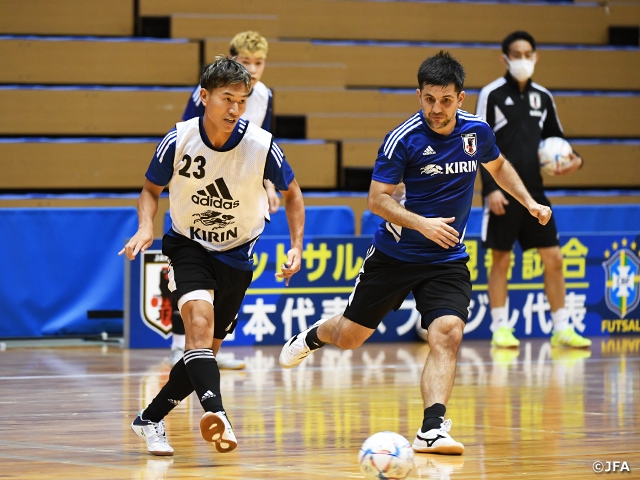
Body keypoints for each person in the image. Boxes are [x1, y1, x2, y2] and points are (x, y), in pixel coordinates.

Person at [279, 51, 552, 455]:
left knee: (448, 333)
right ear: (419, 95)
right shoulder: (402, 140)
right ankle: (315, 335)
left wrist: (528, 202)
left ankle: (431, 429)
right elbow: (377, 200)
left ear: (461, 98)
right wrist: (422, 223)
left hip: (447, 258)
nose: (436, 109)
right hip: (395, 256)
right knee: (350, 338)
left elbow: (498, 167)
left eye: (445, 100)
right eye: (429, 99)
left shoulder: (477, 131)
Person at [120, 56, 304, 456]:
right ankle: (217, 412)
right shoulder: (178, 139)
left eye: (242, 100)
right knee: (198, 326)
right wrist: (145, 226)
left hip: (237, 255)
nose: (235, 109)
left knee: (202, 355)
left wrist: (296, 246)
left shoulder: (261, 145)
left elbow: (293, 196)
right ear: (204, 97)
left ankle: (149, 419)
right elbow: (150, 190)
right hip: (188, 244)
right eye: (227, 99)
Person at [475, 31, 591, 349]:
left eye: (529, 54)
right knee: (501, 260)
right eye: (517, 54)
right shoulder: (491, 94)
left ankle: (561, 328)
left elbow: (558, 138)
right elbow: (479, 144)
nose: (523, 60)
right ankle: (500, 328)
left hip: (536, 195)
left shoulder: (544, 97)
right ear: (505, 59)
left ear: (536, 57)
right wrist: (489, 191)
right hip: (503, 193)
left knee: (553, 258)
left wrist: (575, 161)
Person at [171, 31, 279, 369]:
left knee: (229, 272)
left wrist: (269, 184)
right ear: (231, 60)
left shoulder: (265, 96)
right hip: (202, 182)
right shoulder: (207, 93)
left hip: (239, 188)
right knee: (191, 264)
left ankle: (210, 347)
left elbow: (266, 145)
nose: (254, 68)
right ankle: (181, 345)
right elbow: (190, 132)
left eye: (259, 63)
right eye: (246, 62)